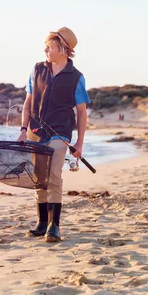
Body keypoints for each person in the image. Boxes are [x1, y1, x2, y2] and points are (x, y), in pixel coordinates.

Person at [17, 27, 90, 242]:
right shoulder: (37, 69)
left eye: (50, 45)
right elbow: (28, 102)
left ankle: (54, 226)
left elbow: (82, 112)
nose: (46, 49)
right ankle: (41, 223)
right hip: (35, 131)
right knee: (38, 177)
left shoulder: (76, 77)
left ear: (63, 48)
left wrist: (79, 143)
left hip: (60, 133)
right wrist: (23, 130)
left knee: (54, 175)